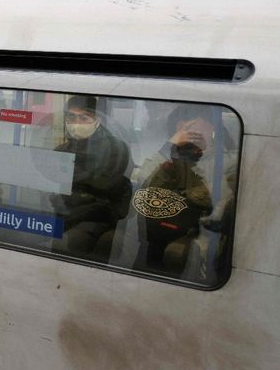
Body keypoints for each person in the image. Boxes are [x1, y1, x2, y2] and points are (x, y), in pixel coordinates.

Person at [131, 105, 234, 275]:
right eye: (181, 129)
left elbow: (214, 196)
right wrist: (169, 148)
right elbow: (143, 178)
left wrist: (203, 153)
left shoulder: (229, 159)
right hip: (162, 227)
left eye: (193, 126)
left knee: (177, 254)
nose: (187, 133)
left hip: (202, 231)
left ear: (211, 127)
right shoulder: (172, 156)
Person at [52, 95, 132, 261]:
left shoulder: (116, 149)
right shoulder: (62, 150)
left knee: (73, 240)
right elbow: (54, 187)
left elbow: (102, 187)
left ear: (97, 120)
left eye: (84, 117)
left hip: (99, 217)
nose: (77, 123)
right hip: (67, 214)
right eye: (71, 117)